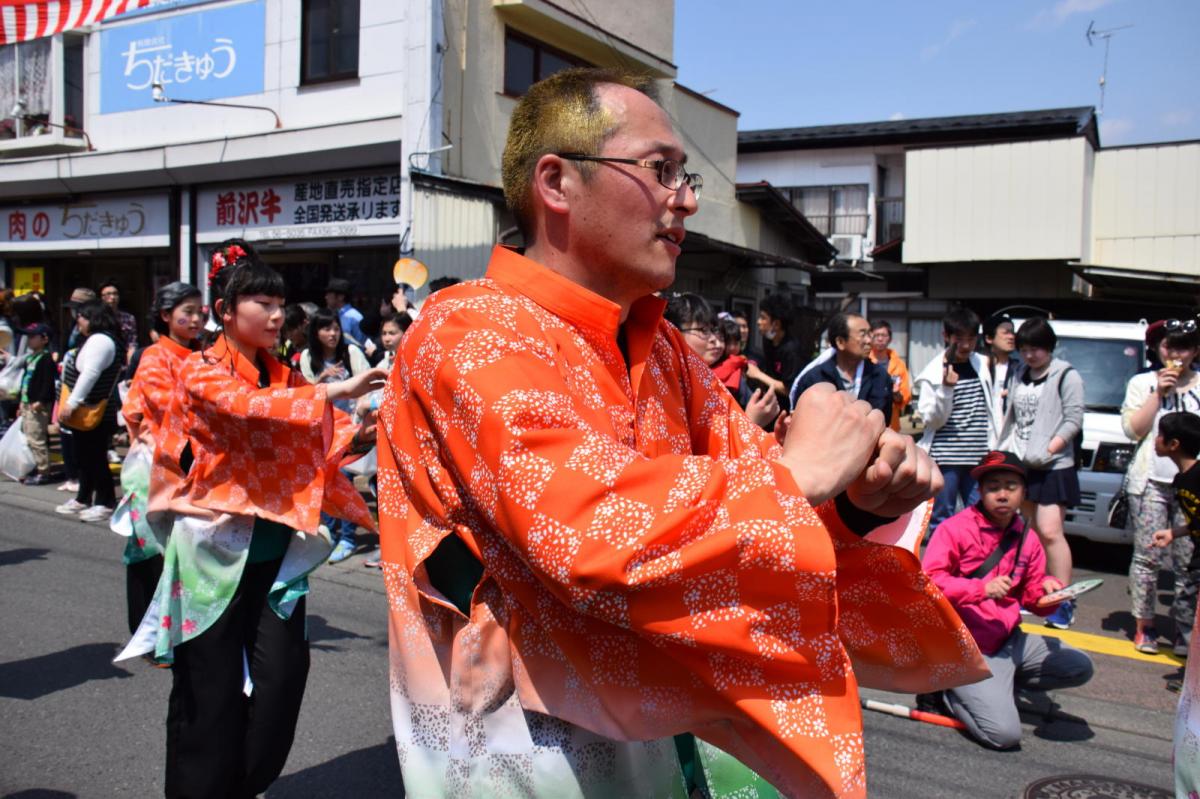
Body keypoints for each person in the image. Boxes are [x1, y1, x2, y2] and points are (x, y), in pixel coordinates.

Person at [375, 67, 985, 798]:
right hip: (515, 749)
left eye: (685, 175)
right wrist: (798, 476)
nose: (687, 199)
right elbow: (582, 529)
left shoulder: (664, 351)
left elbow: (765, 500)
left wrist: (857, 501)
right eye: (660, 170)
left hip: (654, 732)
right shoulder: (467, 328)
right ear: (556, 182)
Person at [116, 240, 385, 799]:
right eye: (261, 301)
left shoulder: (286, 376)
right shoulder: (200, 370)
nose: (276, 313)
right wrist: (335, 390)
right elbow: (250, 408)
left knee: (283, 685)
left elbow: (318, 440)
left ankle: (238, 786)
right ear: (225, 312)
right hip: (213, 553)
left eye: (279, 302)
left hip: (275, 553)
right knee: (206, 697)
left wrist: (361, 430)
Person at [920, 450, 1093, 749]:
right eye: (993, 487)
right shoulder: (955, 529)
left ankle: (996, 685)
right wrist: (981, 590)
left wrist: (1051, 594)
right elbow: (927, 583)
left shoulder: (1027, 535)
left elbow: (1033, 598)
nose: (1002, 494)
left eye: (1011, 487)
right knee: (1004, 735)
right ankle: (948, 690)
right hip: (967, 647)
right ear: (980, 491)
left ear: (1023, 492)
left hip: (1010, 640)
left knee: (1079, 666)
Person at [111, 282, 204, 637]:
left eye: (200, 312)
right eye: (188, 312)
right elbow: (169, 407)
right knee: (148, 551)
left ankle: (173, 627)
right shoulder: (155, 356)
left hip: (189, 464)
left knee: (180, 551)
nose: (196, 319)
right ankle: (145, 634)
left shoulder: (200, 354)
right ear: (166, 316)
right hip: (155, 465)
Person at [997, 318, 1084, 629]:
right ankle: (1035, 592)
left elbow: (1074, 418)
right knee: (1030, 532)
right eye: (1024, 348)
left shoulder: (1067, 375)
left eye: (1035, 347)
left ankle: (1063, 598)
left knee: (1050, 531)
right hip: (1022, 462)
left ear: (1049, 347)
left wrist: (1051, 447)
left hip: (1053, 465)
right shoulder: (1020, 373)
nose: (1030, 354)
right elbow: (1013, 417)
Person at [1122, 318, 1200, 657]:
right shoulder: (1142, 383)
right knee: (1148, 557)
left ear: (1196, 350)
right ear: (1158, 348)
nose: (1175, 354)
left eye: (1183, 346)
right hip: (1150, 481)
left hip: (1193, 485)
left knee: (1188, 561)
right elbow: (1134, 430)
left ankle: (1186, 629)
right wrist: (1159, 393)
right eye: (1169, 345)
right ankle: (1145, 625)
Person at [914, 307, 999, 534]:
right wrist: (946, 389)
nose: (966, 345)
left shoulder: (984, 364)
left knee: (981, 514)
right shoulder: (933, 371)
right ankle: (940, 568)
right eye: (959, 339)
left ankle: (975, 567)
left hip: (979, 455)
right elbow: (931, 421)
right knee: (941, 517)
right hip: (946, 458)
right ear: (946, 337)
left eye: (971, 339)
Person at [300, 307, 371, 563]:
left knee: (343, 481)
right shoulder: (308, 356)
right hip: (319, 430)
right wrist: (322, 379)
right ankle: (330, 531)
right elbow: (303, 395)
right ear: (315, 331)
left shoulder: (351, 353)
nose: (332, 333)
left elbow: (367, 385)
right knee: (321, 481)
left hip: (347, 429)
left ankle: (348, 537)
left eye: (335, 328)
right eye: (326, 328)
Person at [54, 299, 124, 523]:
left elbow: (90, 374)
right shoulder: (98, 339)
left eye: (81, 318)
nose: (78, 323)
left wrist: (72, 403)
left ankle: (105, 501)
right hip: (89, 408)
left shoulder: (101, 340)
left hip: (94, 409)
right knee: (83, 454)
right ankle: (83, 497)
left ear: (92, 317)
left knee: (94, 455)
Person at [665, 293, 779, 429]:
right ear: (674, 332)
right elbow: (705, 446)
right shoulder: (665, 387)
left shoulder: (708, 381)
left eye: (714, 330)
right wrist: (750, 423)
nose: (714, 339)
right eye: (703, 330)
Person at [1150, 412, 1200, 652]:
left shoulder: (1198, 477)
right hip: (1197, 560)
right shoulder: (1182, 480)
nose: (1155, 440)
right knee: (1185, 609)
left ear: (1173, 444)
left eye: (1160, 435)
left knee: (1185, 609)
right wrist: (1174, 533)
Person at [792, 312, 892, 424]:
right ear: (840, 342)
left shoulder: (879, 376)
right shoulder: (815, 379)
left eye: (869, 334)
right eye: (863, 334)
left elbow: (885, 422)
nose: (869, 340)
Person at [17, 323, 56, 485]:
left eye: (33, 337)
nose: (29, 340)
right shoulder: (31, 358)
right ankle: (33, 467)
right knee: (28, 437)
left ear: (44, 339)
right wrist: (21, 401)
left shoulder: (46, 359)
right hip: (27, 403)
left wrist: (41, 400)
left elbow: (48, 384)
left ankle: (43, 471)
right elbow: (25, 381)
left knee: (36, 438)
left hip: (37, 405)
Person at [756, 293, 803, 406]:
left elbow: (789, 390)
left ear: (776, 324)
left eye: (763, 318)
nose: (758, 322)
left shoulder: (791, 350)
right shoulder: (768, 341)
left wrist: (758, 374)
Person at [868, 320, 912, 432]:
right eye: (876, 335)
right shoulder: (864, 362)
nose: (880, 339)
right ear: (870, 337)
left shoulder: (899, 365)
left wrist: (896, 393)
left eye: (883, 335)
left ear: (890, 338)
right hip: (867, 420)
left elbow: (904, 397)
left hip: (891, 424)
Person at [983, 313, 1020, 421]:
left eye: (1012, 332)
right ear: (989, 338)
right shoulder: (979, 368)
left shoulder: (1020, 369)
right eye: (1006, 333)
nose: (1011, 337)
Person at [99, 278, 138, 362]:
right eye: (108, 294)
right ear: (101, 297)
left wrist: (130, 364)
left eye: (115, 294)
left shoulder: (128, 318)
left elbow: (131, 343)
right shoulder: (97, 318)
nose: (112, 297)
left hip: (121, 361)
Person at [324, 277, 365, 346]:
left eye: (329, 294)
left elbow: (361, 344)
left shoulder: (355, 317)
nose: (326, 297)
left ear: (341, 296)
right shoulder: (333, 315)